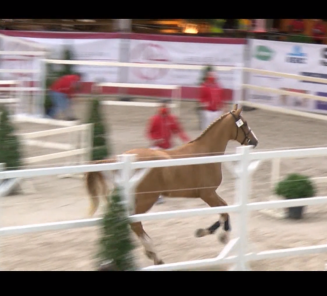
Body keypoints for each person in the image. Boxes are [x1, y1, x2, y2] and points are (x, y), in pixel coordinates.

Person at [146, 99, 190, 204]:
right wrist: (156, 139)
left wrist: (186, 140)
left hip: (168, 148)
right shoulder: (154, 119)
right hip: (157, 148)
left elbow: (178, 130)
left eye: (165, 106)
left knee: (171, 171)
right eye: (162, 106)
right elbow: (149, 133)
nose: (164, 108)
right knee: (157, 172)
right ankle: (156, 194)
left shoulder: (172, 119)